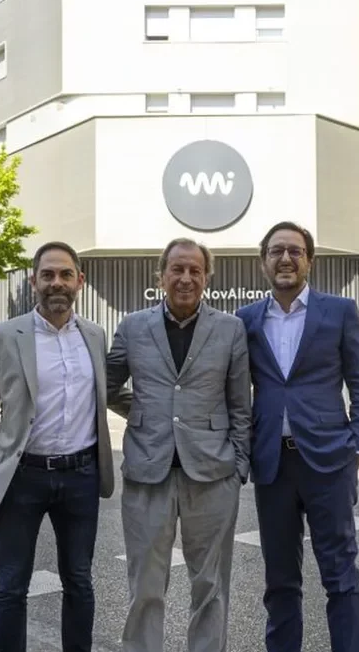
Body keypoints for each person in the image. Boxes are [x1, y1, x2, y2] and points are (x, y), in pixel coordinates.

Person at [0, 241, 116, 652]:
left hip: (81, 476)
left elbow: (112, 395)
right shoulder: (3, 337)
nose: (56, 283)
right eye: (47, 275)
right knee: (13, 586)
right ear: (34, 282)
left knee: (79, 581)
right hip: (21, 478)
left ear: (80, 281)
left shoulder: (95, 336)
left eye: (66, 274)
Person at [235, 221, 359, 652]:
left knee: (340, 575)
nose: (286, 259)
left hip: (329, 463)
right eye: (277, 251)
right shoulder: (246, 321)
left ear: (309, 261)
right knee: (279, 580)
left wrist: (357, 446)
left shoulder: (339, 311)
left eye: (295, 251)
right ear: (263, 263)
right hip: (272, 465)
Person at [106, 238, 251, 652]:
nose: (186, 278)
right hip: (147, 472)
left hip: (212, 474)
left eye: (195, 271)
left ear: (207, 277)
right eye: (177, 269)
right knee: (145, 586)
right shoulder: (133, 327)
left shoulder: (230, 329)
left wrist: (239, 465)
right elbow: (107, 386)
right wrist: (147, 411)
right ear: (161, 276)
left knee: (210, 586)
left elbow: (242, 404)